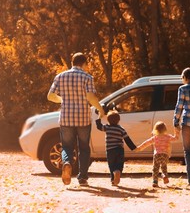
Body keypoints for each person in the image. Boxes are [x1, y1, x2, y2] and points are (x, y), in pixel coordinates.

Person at [47, 52, 106, 186]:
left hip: (66, 118)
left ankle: (67, 163)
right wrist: (101, 110)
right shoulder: (87, 77)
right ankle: (82, 177)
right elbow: (91, 97)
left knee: (67, 146)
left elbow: (50, 96)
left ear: (72, 62)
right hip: (83, 119)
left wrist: (63, 100)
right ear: (84, 63)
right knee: (84, 148)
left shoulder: (60, 76)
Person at [96, 110, 137, 186]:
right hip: (119, 150)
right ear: (118, 120)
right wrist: (133, 148)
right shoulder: (121, 129)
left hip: (110, 150)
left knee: (111, 164)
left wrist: (99, 116)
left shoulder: (107, 127)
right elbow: (127, 139)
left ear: (108, 120)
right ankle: (118, 171)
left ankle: (113, 179)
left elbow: (99, 126)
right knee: (119, 163)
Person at [135, 121, 179, 188]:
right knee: (164, 167)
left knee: (155, 168)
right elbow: (176, 138)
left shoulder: (155, 138)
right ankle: (164, 176)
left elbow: (146, 143)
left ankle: (155, 181)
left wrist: (139, 148)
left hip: (157, 155)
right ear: (165, 129)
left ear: (155, 130)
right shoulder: (168, 137)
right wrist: (177, 130)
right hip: (165, 155)